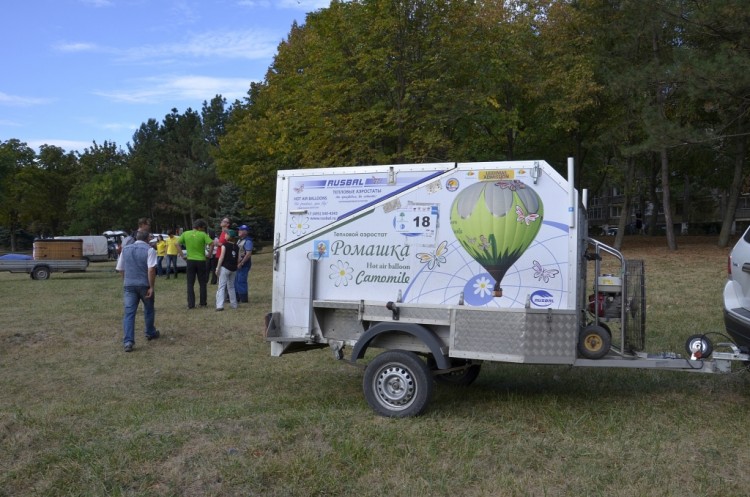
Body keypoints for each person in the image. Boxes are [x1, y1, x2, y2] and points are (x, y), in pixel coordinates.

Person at [116, 229, 159, 352]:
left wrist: (126, 280)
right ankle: (150, 332)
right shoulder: (150, 250)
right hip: (144, 285)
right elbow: (151, 270)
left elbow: (120, 268)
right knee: (149, 309)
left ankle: (128, 341)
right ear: (147, 239)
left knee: (129, 313)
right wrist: (151, 287)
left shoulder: (126, 249)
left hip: (129, 285)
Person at [177, 219, 214, 309]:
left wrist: (182, 255)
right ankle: (203, 303)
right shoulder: (203, 234)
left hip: (190, 260)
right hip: (201, 260)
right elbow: (212, 244)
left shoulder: (186, 233)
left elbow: (176, 244)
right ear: (200, 227)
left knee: (190, 283)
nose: (204, 230)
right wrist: (209, 255)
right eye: (203, 228)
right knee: (202, 283)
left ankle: (191, 304)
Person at [215, 229, 239, 311]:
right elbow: (238, 258)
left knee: (221, 286)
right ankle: (234, 304)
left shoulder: (224, 245)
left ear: (229, 236)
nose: (225, 235)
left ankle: (220, 305)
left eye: (226, 234)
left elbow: (221, 257)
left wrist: (218, 268)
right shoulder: (236, 246)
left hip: (225, 268)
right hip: (233, 269)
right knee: (231, 286)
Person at [235, 224, 253, 303]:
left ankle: (244, 299)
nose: (239, 231)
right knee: (237, 280)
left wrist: (242, 263)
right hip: (238, 263)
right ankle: (237, 297)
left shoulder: (248, 241)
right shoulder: (240, 240)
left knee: (241, 281)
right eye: (239, 230)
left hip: (244, 264)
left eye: (241, 230)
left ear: (245, 232)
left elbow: (248, 253)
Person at [210, 217, 231, 284]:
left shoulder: (227, 232)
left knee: (223, 278)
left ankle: (224, 292)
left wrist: (217, 243)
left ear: (227, 224)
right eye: (222, 220)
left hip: (223, 257)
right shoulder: (222, 232)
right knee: (220, 276)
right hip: (218, 255)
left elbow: (229, 245)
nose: (222, 222)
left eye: (224, 221)